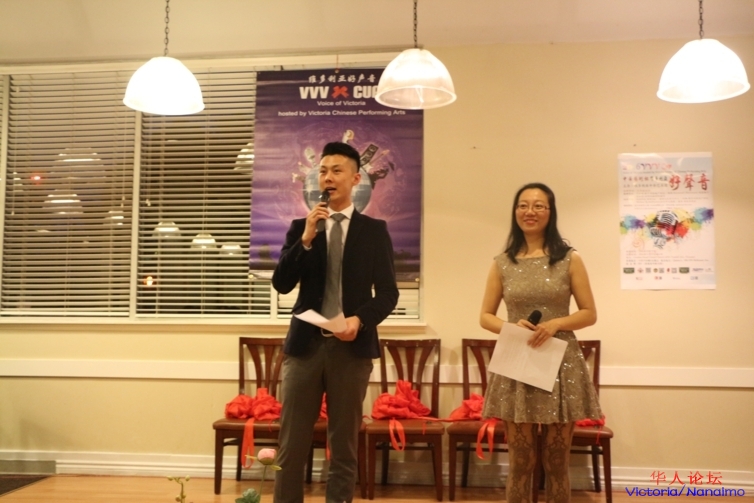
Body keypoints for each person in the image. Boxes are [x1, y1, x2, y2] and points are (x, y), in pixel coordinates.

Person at [272, 141, 399, 503]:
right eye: (323, 171)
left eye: (336, 170)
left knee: (343, 446)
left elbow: (388, 293)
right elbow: (281, 284)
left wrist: (360, 319)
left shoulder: (374, 231)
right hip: (305, 348)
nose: (328, 177)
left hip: (351, 349)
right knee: (291, 444)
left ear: (356, 179)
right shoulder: (302, 227)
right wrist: (306, 240)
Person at [479, 182, 602, 503]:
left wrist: (557, 323)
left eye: (538, 206)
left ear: (550, 212)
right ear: (515, 211)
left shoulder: (570, 259)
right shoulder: (502, 262)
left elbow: (589, 313)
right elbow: (485, 317)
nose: (529, 212)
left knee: (556, 461)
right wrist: (511, 327)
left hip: (561, 364)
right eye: (523, 205)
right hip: (518, 361)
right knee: (521, 461)